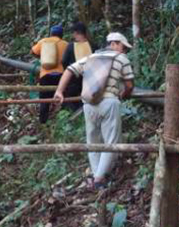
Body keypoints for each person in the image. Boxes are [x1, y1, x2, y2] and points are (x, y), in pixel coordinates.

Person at [53, 32, 135, 190]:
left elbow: (69, 70)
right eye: (123, 47)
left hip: (89, 103)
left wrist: (59, 91)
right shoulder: (121, 59)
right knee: (110, 141)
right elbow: (129, 85)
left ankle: (96, 176)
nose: (124, 50)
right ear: (115, 44)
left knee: (93, 141)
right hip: (109, 102)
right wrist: (124, 94)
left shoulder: (91, 57)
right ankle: (98, 178)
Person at [30, 25, 68, 123]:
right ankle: (64, 122)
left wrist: (42, 58)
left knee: (44, 101)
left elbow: (32, 52)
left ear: (51, 33)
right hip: (61, 76)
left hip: (45, 75)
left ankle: (43, 122)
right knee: (64, 98)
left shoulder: (43, 41)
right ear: (61, 35)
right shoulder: (66, 44)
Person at [60, 22, 96, 112]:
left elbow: (64, 61)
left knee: (72, 100)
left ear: (76, 33)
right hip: (90, 79)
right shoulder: (93, 45)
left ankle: (75, 116)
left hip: (73, 79)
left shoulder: (71, 46)